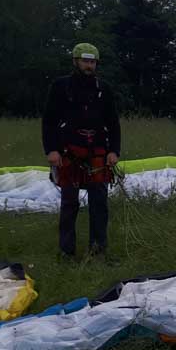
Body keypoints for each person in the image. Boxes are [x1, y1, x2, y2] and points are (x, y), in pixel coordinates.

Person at [42, 43, 121, 257]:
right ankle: (66, 252)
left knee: (99, 204)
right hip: (68, 151)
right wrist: (51, 150)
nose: (89, 65)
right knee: (69, 203)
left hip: (98, 152)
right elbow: (49, 121)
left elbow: (113, 122)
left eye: (92, 62)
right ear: (75, 61)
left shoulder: (103, 88)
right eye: (85, 61)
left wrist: (114, 151)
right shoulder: (61, 86)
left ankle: (98, 251)